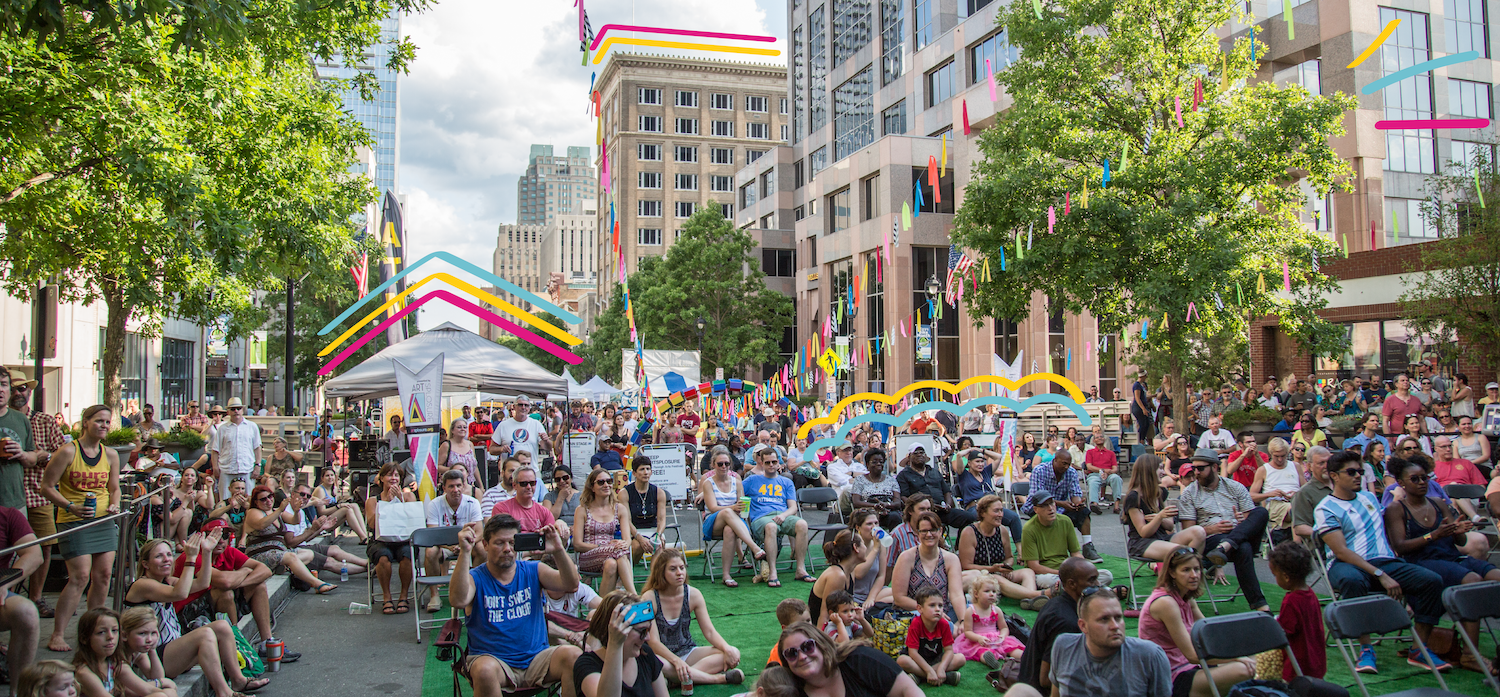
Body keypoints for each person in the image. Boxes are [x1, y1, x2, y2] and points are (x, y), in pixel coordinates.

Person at [1315, 451, 1451, 672]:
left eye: (1360, 472)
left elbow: (1393, 522)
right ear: (1334, 476)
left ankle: (1419, 649)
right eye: (1351, 472)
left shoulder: (1369, 498)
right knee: (1352, 580)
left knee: (1432, 580)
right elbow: (1341, 551)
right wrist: (1380, 575)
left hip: (1385, 561)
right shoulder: (1325, 508)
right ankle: (1366, 650)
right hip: (1347, 564)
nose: (1358, 476)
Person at [1384, 456, 1499, 672]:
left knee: (1497, 577)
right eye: (1415, 479)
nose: (1421, 482)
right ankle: (1470, 654)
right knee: (1473, 581)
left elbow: (1460, 542)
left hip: (1451, 557)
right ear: (1401, 483)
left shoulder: (1437, 503)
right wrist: (1433, 536)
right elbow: (1400, 546)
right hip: (1422, 562)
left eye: (1424, 478)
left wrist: (1458, 531)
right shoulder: (1396, 509)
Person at [449, 514, 583, 697]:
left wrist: (558, 550)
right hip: (495, 663)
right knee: (484, 670)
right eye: (499, 543)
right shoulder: (476, 578)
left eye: (512, 543)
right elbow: (457, 600)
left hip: (537, 658)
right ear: (485, 545)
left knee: (574, 656)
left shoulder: (533, 570)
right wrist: (465, 552)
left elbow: (571, 584)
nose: (507, 549)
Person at [124, 533, 271, 697]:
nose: (166, 559)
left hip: (172, 651)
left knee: (222, 626)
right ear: (145, 564)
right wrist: (190, 558)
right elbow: (180, 593)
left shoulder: (168, 581)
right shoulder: (142, 585)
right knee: (205, 634)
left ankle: (238, 680)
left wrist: (206, 552)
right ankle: (224, 693)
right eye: (159, 556)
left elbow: (202, 583)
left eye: (169, 555)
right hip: (153, 658)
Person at [40, 403, 121, 653]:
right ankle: (57, 634)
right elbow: (46, 486)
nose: (103, 426)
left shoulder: (110, 454)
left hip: (103, 520)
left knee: (104, 575)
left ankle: (93, 631)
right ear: (85, 422)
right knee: (80, 576)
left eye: (107, 422)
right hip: (73, 520)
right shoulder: (67, 451)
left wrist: (115, 504)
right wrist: (70, 506)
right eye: (98, 421)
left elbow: (114, 488)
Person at [1007, 590, 1173, 697]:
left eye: (1118, 618)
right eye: (1104, 619)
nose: (1115, 626)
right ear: (1083, 626)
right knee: (1019, 691)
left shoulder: (1149, 655)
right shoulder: (1064, 645)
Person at [1138, 549, 1253, 697]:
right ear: (1172, 573)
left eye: (1197, 569)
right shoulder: (1166, 603)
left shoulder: (1185, 596)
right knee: (1244, 669)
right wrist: (1235, 657)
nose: (1194, 575)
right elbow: (1192, 655)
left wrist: (1239, 650)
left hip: (1192, 667)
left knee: (1258, 659)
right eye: (1186, 570)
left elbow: (1210, 632)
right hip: (1171, 677)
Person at [1175, 448, 1270, 612]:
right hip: (1212, 541)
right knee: (1243, 549)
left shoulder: (1235, 487)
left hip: (1239, 535)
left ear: (1214, 467)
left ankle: (1227, 544)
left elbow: (1251, 521)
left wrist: (1242, 521)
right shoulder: (1189, 493)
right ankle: (1260, 606)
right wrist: (1212, 529)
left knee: (1261, 512)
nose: (1196, 472)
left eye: (1200, 468)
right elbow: (1188, 532)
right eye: (1194, 468)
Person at [638, 548, 744, 686]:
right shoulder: (648, 598)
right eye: (673, 569)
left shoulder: (693, 594)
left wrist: (727, 648)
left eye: (682, 568)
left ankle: (676, 680)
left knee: (732, 652)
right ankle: (717, 679)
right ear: (661, 572)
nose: (679, 573)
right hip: (661, 656)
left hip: (687, 651)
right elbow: (653, 643)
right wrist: (676, 661)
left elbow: (709, 631)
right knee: (653, 661)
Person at [773, 621, 923, 697]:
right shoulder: (793, 691)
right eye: (791, 653)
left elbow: (908, 690)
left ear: (821, 644)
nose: (802, 656)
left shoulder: (860, 659)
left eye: (807, 646)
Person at [1016, 558, 1100, 690]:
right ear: (1072, 584)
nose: (1098, 584)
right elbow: (1046, 679)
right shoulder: (1066, 622)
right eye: (1092, 580)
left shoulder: (1056, 603)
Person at [242, 484, 339, 594]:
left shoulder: (275, 511)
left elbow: (294, 521)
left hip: (279, 550)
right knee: (291, 556)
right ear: (256, 502)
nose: (268, 501)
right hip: (260, 553)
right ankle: (317, 584)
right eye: (263, 499)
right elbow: (261, 524)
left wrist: (296, 511)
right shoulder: (253, 512)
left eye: (270, 496)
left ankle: (282, 566)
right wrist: (279, 509)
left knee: (308, 554)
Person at [571, 590, 669, 697]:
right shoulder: (587, 664)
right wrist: (615, 645)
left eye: (648, 630)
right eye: (642, 631)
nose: (647, 638)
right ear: (616, 629)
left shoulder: (645, 654)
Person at [956, 494, 1047, 608]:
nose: (1000, 515)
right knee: (995, 578)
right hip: (980, 576)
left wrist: (1006, 566)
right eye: (996, 511)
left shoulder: (1002, 530)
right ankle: (1037, 595)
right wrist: (992, 569)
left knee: (1027, 572)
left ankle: (1028, 601)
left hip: (999, 572)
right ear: (983, 513)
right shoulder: (969, 532)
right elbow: (966, 566)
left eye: (1001, 510)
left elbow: (1009, 557)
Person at [743, 446, 811, 586]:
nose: (771, 465)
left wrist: (784, 515)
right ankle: (772, 572)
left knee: (802, 524)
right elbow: (733, 489)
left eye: (774, 462)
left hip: (783, 515)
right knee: (771, 526)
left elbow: (793, 507)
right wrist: (703, 491)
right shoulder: (752, 480)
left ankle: (800, 569)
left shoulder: (786, 482)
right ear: (761, 463)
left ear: (778, 462)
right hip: (761, 518)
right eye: (767, 462)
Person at [697, 449, 766, 586]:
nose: (724, 467)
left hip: (735, 523)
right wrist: (733, 507)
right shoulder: (708, 483)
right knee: (727, 512)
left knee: (729, 530)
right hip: (713, 522)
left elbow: (742, 505)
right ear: (713, 465)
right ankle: (754, 547)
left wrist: (740, 508)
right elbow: (713, 508)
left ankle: (726, 575)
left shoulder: (737, 482)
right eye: (720, 464)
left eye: (727, 464)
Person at [1022, 450, 1102, 562]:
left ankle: (1088, 546)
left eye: (1068, 464)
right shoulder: (1039, 470)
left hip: (1061, 507)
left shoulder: (1071, 472)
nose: (1066, 467)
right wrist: (1060, 504)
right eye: (1064, 463)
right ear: (1055, 460)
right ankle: (1047, 550)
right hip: (1038, 506)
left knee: (1083, 512)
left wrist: (1077, 503)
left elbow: (1075, 493)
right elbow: (1038, 497)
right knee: (1046, 510)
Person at [1122, 455, 1205, 562]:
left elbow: (1170, 526)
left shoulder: (1162, 492)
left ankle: (1189, 568)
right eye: (1160, 468)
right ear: (1149, 470)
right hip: (1142, 543)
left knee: (1199, 532)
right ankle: (1184, 568)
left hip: (1163, 538)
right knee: (1181, 552)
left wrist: (1159, 518)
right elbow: (1144, 533)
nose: (1164, 472)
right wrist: (1160, 517)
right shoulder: (1133, 497)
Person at [890, 511, 968, 622]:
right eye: (924, 531)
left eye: (933, 530)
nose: (929, 534)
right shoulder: (906, 558)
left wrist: (963, 621)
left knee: (968, 613)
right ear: (917, 533)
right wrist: (930, 611)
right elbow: (899, 598)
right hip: (914, 612)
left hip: (944, 612)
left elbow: (956, 594)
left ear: (940, 531)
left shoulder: (951, 559)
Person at [1266, 542, 1326, 681]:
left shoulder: (1291, 600)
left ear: (1286, 576)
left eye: (1275, 575)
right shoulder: (1310, 594)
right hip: (1315, 658)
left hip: (1297, 663)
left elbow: (1284, 631)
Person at [574, 468, 637, 594]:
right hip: (589, 555)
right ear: (592, 487)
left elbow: (627, 539)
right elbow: (577, 544)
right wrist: (603, 547)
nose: (606, 485)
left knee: (611, 564)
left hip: (613, 554)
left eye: (609, 481)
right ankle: (634, 595)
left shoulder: (619, 508)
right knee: (617, 551)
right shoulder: (582, 510)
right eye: (601, 482)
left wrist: (623, 544)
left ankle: (602, 605)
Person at [364, 463, 415, 614]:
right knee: (383, 556)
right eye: (389, 475)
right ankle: (387, 596)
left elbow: (413, 520)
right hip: (381, 540)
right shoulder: (372, 501)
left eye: (396, 475)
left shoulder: (408, 496)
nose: (393, 478)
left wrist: (400, 501)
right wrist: (386, 503)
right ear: (381, 478)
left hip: (403, 538)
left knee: (407, 554)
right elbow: (372, 525)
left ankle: (404, 595)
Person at [0, 498, 41, 680]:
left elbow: (34, 554)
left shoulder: (9, 515)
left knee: (26, 612)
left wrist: (4, 583)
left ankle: (18, 690)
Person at [896, 442, 974, 530]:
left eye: (921, 452)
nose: (919, 455)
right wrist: (922, 507)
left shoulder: (934, 472)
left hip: (942, 511)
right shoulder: (903, 475)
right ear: (909, 457)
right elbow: (904, 497)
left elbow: (947, 492)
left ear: (925, 456)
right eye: (916, 453)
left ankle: (962, 539)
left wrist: (947, 505)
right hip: (920, 513)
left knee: (969, 518)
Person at [898, 586, 965, 686]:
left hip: (935, 659)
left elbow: (949, 650)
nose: (937, 609)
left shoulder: (944, 624)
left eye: (940, 606)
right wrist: (929, 670)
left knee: (960, 659)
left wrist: (942, 667)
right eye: (932, 605)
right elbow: (913, 653)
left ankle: (919, 676)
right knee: (902, 660)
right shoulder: (916, 624)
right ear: (920, 609)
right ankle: (941, 677)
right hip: (917, 660)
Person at [954, 573, 1023, 668]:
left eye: (994, 591)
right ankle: (989, 659)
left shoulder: (996, 610)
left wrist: (1003, 636)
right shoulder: (971, 610)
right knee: (981, 651)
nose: (991, 594)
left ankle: (1023, 656)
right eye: (987, 591)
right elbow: (968, 632)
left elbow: (1004, 628)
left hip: (996, 640)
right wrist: (978, 638)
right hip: (978, 641)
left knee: (1011, 647)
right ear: (976, 594)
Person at [1249, 439, 1302, 543]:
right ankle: (1298, 545)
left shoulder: (1296, 466)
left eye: (1283, 456)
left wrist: (1297, 494)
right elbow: (1251, 496)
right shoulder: (1264, 470)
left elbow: (1305, 489)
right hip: (1275, 504)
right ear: (1271, 453)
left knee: (1300, 507)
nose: (1280, 459)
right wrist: (1269, 494)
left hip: (1296, 501)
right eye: (1276, 456)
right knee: (1295, 509)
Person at [209, 398, 260, 499]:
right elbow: (215, 450)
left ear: (242, 410)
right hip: (227, 469)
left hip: (247, 468)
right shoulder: (222, 428)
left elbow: (257, 447)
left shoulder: (252, 426)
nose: (236, 411)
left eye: (238, 408)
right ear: (228, 411)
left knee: (248, 498)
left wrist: (258, 465)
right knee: (225, 498)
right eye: (233, 409)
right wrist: (215, 467)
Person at [844, 509, 894, 608]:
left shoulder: (881, 544)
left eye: (876, 523)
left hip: (874, 593)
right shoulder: (853, 545)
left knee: (899, 595)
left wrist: (871, 598)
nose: (874, 527)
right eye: (869, 524)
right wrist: (875, 549)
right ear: (858, 527)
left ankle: (874, 605)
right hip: (855, 595)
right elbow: (859, 574)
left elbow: (881, 576)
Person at [304, 467, 368, 541]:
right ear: (322, 478)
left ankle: (365, 535)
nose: (330, 478)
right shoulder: (320, 490)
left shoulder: (334, 488)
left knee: (354, 505)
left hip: (331, 518)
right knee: (347, 510)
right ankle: (363, 537)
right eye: (327, 476)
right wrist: (339, 506)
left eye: (332, 475)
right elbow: (321, 512)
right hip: (322, 522)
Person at [625, 456, 669, 565]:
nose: (646, 472)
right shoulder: (625, 493)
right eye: (642, 469)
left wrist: (658, 535)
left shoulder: (659, 492)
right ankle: (628, 570)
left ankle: (655, 574)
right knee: (637, 546)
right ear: (634, 473)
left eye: (648, 469)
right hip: (634, 531)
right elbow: (626, 521)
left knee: (659, 544)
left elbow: (661, 519)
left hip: (653, 530)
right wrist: (639, 538)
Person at [847, 448, 903, 530]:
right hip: (867, 512)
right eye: (874, 462)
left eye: (881, 462)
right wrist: (874, 506)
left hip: (888, 512)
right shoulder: (859, 480)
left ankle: (894, 537)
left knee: (895, 517)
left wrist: (886, 505)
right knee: (867, 518)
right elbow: (856, 502)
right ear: (867, 464)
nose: (878, 464)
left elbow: (897, 503)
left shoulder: (891, 480)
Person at [494, 399, 551, 464]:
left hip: (530, 468)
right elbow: (492, 449)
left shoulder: (536, 424)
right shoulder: (503, 425)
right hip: (511, 469)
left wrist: (546, 440)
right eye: (520, 405)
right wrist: (501, 449)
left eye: (526, 405)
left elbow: (548, 448)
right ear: (514, 407)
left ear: (529, 408)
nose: (523, 407)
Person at [1083, 434, 1123, 512]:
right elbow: (1089, 466)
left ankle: (1116, 506)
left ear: (1104, 439)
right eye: (1097, 437)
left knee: (1116, 478)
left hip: (1109, 474)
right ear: (1094, 441)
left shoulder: (1111, 453)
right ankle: (1095, 504)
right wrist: (1103, 470)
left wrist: (1108, 472)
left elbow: (1115, 468)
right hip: (1095, 474)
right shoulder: (1090, 452)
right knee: (1093, 481)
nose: (1100, 438)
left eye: (1101, 437)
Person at [437, 418, 480, 492]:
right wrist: (453, 470)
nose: (462, 429)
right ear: (452, 430)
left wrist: (481, 486)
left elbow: (474, 467)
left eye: (464, 427)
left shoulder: (470, 444)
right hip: (453, 487)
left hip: (469, 487)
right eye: (459, 427)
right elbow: (437, 466)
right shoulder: (446, 445)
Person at [1131, 371, 1154, 443]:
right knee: (1142, 424)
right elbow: (1137, 398)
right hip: (1138, 408)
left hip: (1142, 407)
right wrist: (1143, 408)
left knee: (1146, 423)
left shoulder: (1141, 385)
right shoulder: (1137, 385)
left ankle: (1142, 439)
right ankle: (1139, 440)